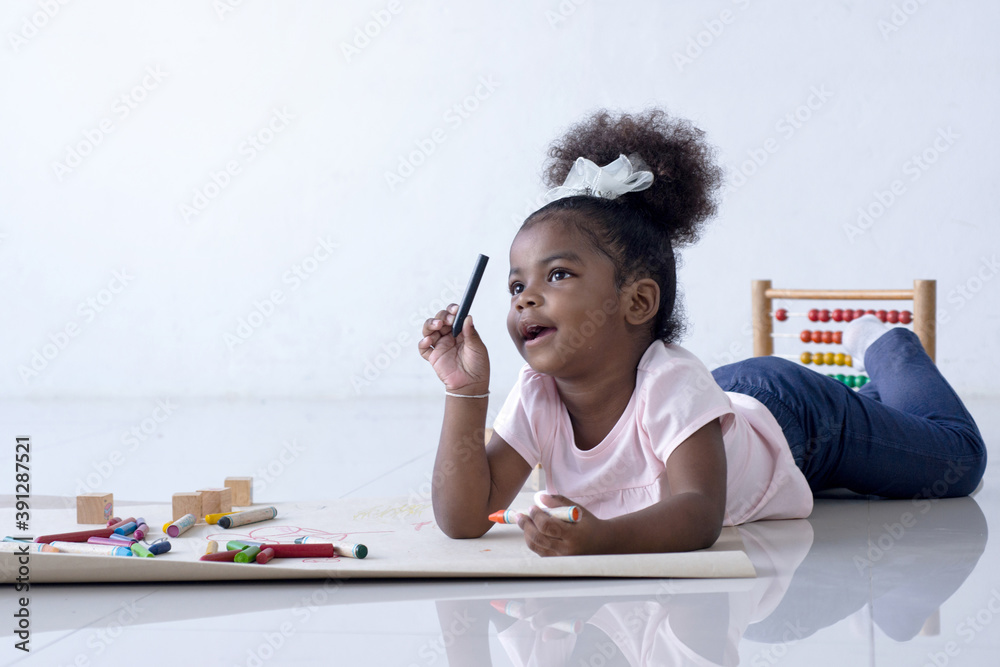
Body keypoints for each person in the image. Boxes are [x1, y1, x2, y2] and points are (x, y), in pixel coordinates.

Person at [417, 108, 986, 556]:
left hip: (800, 419)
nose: (527, 299)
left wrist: (601, 539)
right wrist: (464, 392)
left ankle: (891, 349)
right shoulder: (538, 395)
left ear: (638, 301)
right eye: (516, 288)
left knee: (959, 460)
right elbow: (464, 520)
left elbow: (697, 511)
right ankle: (872, 403)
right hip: (723, 399)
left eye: (558, 274)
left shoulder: (671, 383)